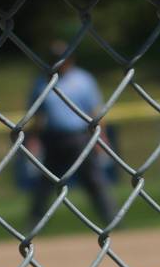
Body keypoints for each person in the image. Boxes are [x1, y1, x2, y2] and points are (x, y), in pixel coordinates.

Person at [26, 42, 116, 228]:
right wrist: (33, 139)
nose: (58, 62)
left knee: (94, 180)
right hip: (52, 138)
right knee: (45, 184)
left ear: (70, 59)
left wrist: (100, 138)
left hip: (80, 137)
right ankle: (33, 224)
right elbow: (37, 115)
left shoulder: (83, 79)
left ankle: (111, 220)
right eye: (54, 58)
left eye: (62, 58)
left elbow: (95, 112)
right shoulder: (42, 82)